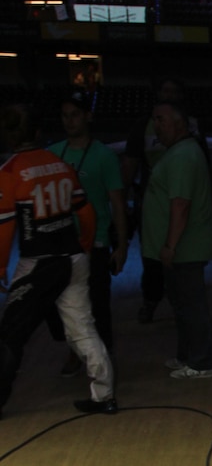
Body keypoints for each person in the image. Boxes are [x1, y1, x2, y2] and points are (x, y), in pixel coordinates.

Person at [0, 103, 116, 418]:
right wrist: (87, 245)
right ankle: (104, 395)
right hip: (73, 257)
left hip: (39, 261)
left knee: (10, 332)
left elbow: (6, 225)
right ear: (38, 132)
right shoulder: (60, 163)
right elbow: (86, 210)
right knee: (83, 328)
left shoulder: (10, 171)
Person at [122, 77, 212, 324]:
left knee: (184, 284)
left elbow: (185, 197)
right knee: (154, 265)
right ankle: (151, 301)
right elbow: (131, 163)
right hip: (155, 206)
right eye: (166, 91)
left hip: (177, 211)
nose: (170, 95)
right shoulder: (144, 126)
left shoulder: (189, 136)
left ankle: (195, 351)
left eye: (174, 92)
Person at [45, 90, 128, 376]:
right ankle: (75, 350)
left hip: (96, 243)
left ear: (87, 117)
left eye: (75, 115)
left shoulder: (103, 155)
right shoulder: (53, 154)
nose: (70, 121)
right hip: (59, 242)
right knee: (62, 303)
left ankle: (104, 358)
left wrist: (122, 245)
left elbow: (116, 203)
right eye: (65, 116)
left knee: (98, 305)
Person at [141, 100, 212, 379]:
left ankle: (201, 362)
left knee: (191, 305)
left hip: (185, 248)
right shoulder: (178, 152)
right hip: (179, 248)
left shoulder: (183, 155)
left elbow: (180, 204)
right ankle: (188, 355)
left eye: (161, 120)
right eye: (154, 120)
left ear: (179, 123)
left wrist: (170, 245)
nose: (156, 126)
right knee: (182, 305)